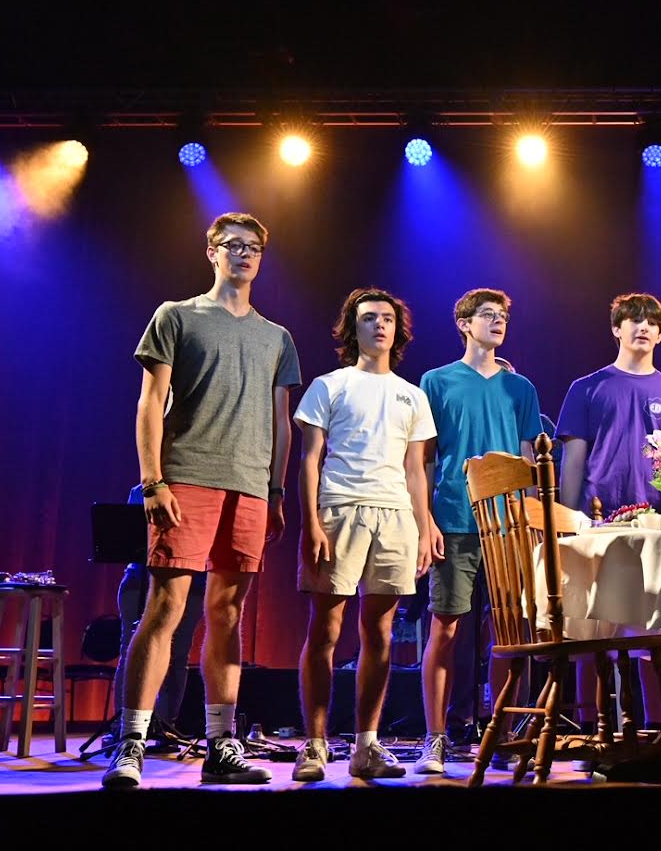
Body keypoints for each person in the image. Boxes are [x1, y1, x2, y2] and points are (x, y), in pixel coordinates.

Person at [104, 213, 302, 789]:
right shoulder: (177, 315)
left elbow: (280, 423)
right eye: (232, 245)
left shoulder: (277, 337)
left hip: (249, 488)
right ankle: (132, 743)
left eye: (254, 248)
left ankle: (221, 745)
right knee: (165, 609)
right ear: (211, 252)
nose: (243, 255)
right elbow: (150, 402)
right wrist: (152, 481)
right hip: (186, 478)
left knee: (228, 614)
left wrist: (276, 489)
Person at [291, 288, 439, 781]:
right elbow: (309, 459)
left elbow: (416, 470)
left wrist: (425, 526)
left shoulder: (412, 394)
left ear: (398, 330)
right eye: (369, 317)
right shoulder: (329, 385)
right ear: (351, 328)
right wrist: (312, 520)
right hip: (339, 512)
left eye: (388, 318)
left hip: (394, 516)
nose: (379, 325)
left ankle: (366, 746)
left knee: (379, 634)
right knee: (326, 629)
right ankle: (313, 746)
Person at [414, 288, 543, 774]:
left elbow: (529, 460)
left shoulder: (521, 388)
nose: (498, 322)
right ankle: (436, 737)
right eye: (487, 315)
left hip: (509, 526)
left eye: (503, 316)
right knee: (445, 627)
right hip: (455, 521)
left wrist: (530, 522)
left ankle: (506, 734)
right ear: (464, 324)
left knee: (510, 631)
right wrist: (424, 519)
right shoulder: (436, 381)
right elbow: (423, 459)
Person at [557, 292, 661, 519]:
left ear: (660, 336)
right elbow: (572, 464)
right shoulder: (584, 389)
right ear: (616, 329)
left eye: (652, 323)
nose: (644, 327)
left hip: (658, 519)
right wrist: (566, 523)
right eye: (635, 320)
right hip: (597, 517)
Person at [112, 483, 205, 748]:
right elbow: (128, 540)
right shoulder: (140, 490)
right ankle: (125, 726)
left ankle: (166, 725)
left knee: (178, 654)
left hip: (193, 581)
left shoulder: (204, 492)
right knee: (130, 649)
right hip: (139, 578)